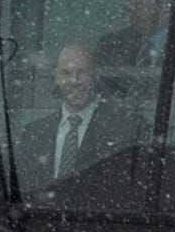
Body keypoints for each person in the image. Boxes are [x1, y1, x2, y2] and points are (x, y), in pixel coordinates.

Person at [19, 42, 141, 191]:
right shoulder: (33, 133)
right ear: (56, 77)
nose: (74, 81)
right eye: (66, 73)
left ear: (97, 75)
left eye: (82, 72)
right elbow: (25, 190)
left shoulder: (125, 129)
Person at [94, 0, 171, 78]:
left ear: (163, 4)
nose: (129, 7)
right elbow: (102, 89)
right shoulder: (112, 46)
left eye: (137, 0)